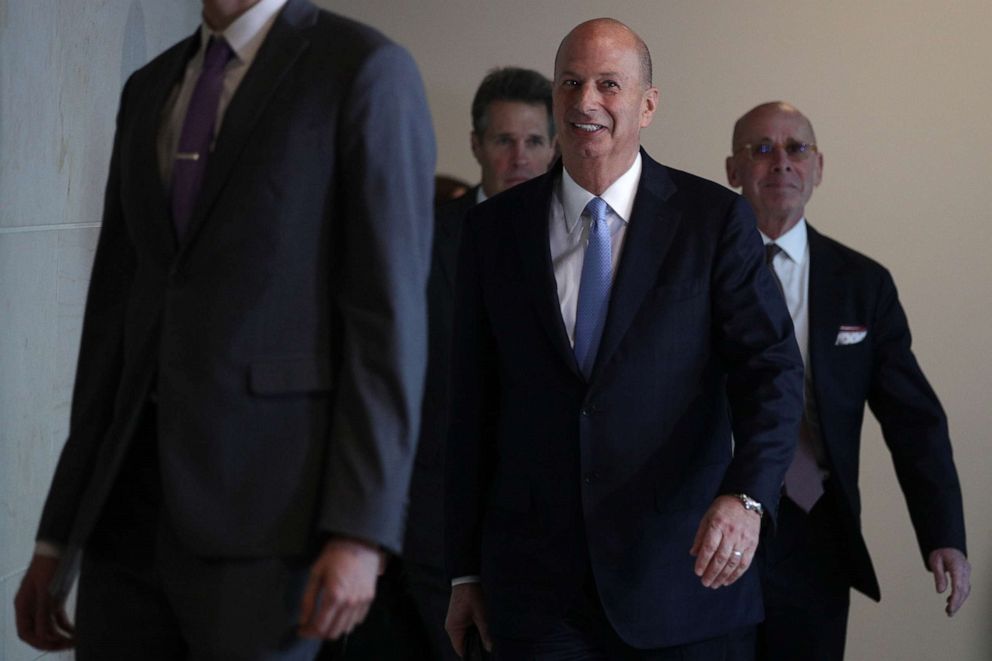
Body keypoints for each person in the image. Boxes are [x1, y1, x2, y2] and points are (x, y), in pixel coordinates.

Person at [13, 0, 435, 658]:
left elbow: (389, 320)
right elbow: (111, 324)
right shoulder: (149, 86)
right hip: (124, 516)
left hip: (268, 522)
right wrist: (57, 533)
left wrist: (363, 530)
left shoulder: (363, 70)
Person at [443, 19, 804, 659]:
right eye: (571, 83)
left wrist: (748, 496)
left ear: (647, 104)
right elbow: (471, 405)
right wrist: (465, 569)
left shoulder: (712, 221)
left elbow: (772, 371)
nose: (585, 101)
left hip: (684, 582)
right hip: (536, 597)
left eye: (609, 84)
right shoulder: (492, 231)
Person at [725, 101, 970, 660]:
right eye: (761, 149)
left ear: (818, 168)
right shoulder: (696, 272)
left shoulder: (863, 283)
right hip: (712, 528)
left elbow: (915, 420)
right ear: (733, 171)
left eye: (797, 149)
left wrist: (944, 535)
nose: (781, 162)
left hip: (818, 535)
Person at [325, 66, 556, 661]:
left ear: (555, 148)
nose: (519, 158)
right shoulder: (420, 242)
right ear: (476, 145)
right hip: (428, 520)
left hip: (547, 528)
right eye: (504, 140)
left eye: (534, 141)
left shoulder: (588, 244)